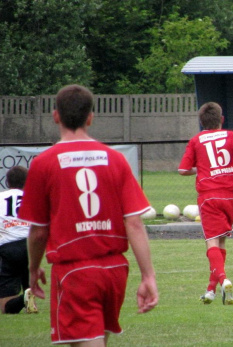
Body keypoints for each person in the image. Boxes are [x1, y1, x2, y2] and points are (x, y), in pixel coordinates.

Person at [18, 84, 159, 346]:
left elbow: (38, 231)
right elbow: (135, 223)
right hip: (115, 269)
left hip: (76, 271)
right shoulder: (115, 159)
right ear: (91, 117)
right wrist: (148, 276)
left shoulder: (44, 163)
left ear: (55, 116)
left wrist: (33, 267)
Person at [179, 102, 233, 305]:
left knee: (211, 241)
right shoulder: (232, 136)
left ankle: (223, 279)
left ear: (201, 122)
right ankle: (211, 290)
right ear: (221, 119)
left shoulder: (195, 141)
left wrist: (201, 168)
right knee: (221, 241)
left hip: (210, 195)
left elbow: (182, 170)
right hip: (232, 195)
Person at [0, 166, 37, 314]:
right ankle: (29, 298)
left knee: (5, 307)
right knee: (28, 281)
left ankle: (23, 299)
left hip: (9, 248)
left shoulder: (1, 198)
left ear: (8, 182)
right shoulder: (34, 197)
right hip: (31, 246)